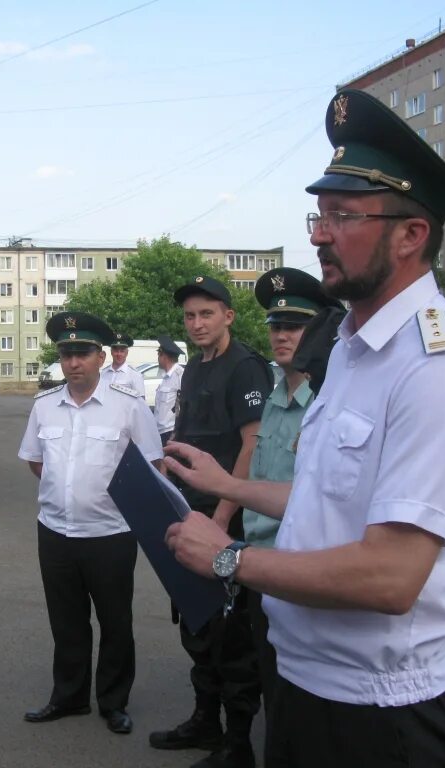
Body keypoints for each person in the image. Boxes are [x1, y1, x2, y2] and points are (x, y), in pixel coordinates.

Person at [164, 88, 445, 768]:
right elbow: (331, 499)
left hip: (379, 715)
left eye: (343, 216)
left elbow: (390, 575)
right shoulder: (352, 345)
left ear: (411, 235)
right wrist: (232, 484)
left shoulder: (438, 367)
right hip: (307, 684)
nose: (318, 234)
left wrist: (228, 558)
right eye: (318, 215)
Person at [18, 311, 162, 737]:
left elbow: (152, 466)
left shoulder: (128, 407)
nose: (73, 362)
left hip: (111, 535)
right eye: (66, 354)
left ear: (101, 356)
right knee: (66, 621)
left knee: (116, 622)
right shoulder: (44, 407)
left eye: (82, 353)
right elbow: (35, 461)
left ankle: (114, 702)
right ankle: (70, 696)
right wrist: (68, 492)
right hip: (56, 532)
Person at [149, 275, 272, 768]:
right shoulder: (195, 369)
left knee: (232, 637)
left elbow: (253, 444)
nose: (196, 324)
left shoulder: (246, 367)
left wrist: (222, 518)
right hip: (190, 512)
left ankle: (237, 745)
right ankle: (205, 721)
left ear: (228, 316)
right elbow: (187, 435)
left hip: (227, 522)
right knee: (197, 624)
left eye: (206, 314)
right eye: (189, 316)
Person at [240, 268, 344, 730]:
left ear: (319, 330)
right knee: (269, 691)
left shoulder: (326, 400)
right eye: (276, 326)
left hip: (297, 571)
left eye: (295, 326)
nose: (282, 335)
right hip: (258, 566)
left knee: (298, 707)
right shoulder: (275, 393)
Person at [153, 335, 184, 445]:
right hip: (160, 431)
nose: (158, 359)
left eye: (158, 355)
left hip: (171, 433)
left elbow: (185, 406)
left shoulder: (180, 375)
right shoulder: (167, 378)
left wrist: (176, 434)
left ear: (164, 356)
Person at [100, 333, 145, 397]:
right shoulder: (103, 373)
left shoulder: (135, 375)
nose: (119, 354)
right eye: (116, 350)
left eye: (122, 351)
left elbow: (141, 402)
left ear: (127, 353)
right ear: (111, 352)